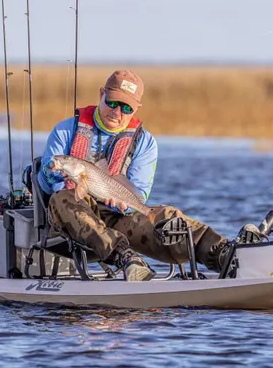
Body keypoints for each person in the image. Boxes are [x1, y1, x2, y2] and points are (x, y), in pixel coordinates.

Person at [37, 70, 235, 281]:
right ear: (101, 94)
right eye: (112, 103)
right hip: (70, 219)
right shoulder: (65, 131)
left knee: (167, 216)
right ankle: (127, 259)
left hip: (117, 215)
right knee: (62, 199)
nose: (117, 112)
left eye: (126, 107)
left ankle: (224, 254)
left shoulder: (145, 143)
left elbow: (139, 193)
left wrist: (123, 205)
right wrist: (52, 173)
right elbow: (48, 186)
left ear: (136, 109)